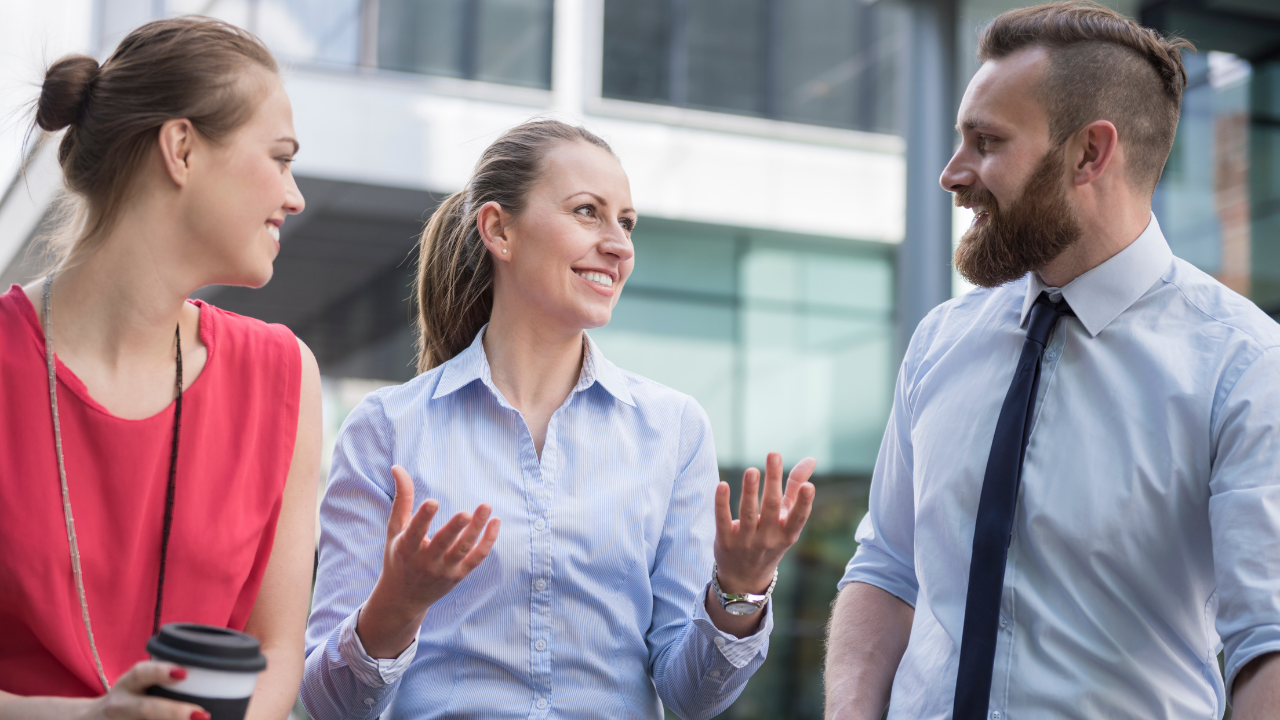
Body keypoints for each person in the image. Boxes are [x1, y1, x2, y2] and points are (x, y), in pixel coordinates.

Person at [823, 2, 1280, 719]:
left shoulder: (1245, 365)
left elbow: (1270, 644)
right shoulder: (941, 340)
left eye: (986, 141)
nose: (953, 173)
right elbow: (886, 568)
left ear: (1090, 154)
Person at [301, 119, 816, 720]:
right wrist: (398, 603)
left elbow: (692, 698)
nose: (619, 244)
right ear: (498, 230)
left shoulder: (674, 429)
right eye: (586, 212)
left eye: (625, 222)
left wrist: (741, 589)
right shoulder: (386, 428)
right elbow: (329, 705)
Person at [0, 17, 321, 720]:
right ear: (181, 149)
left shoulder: (285, 377)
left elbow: (276, 650)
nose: (295, 197)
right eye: (280, 157)